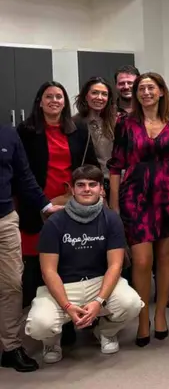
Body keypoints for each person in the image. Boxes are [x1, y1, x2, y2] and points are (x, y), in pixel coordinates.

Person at [24, 165, 143, 364]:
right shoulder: (55, 222)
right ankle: (51, 341)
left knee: (131, 303)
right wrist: (68, 306)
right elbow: (48, 271)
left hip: (98, 282)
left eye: (92, 184)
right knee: (39, 324)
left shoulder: (111, 219)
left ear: (101, 189)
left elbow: (115, 265)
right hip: (63, 286)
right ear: (71, 189)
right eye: (81, 185)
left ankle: (105, 331)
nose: (87, 189)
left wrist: (98, 301)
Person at [108, 72, 169, 346]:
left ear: (161, 92)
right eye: (140, 88)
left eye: (150, 88)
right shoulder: (126, 124)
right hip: (136, 196)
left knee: (166, 258)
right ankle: (143, 318)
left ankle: (161, 315)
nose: (145, 92)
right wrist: (114, 204)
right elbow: (116, 165)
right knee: (142, 261)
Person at [17, 81, 98, 311]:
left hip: (70, 204)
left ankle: (68, 314)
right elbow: (21, 171)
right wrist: (40, 203)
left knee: (67, 257)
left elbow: (90, 165)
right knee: (36, 260)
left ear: (65, 102)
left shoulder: (78, 130)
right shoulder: (26, 131)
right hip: (36, 204)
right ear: (40, 102)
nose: (54, 101)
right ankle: (38, 312)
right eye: (49, 97)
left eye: (59, 97)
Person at [0, 125, 62, 373]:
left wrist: (46, 206)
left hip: (4, 219)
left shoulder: (7, 133)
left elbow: (24, 176)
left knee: (12, 284)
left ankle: (10, 347)